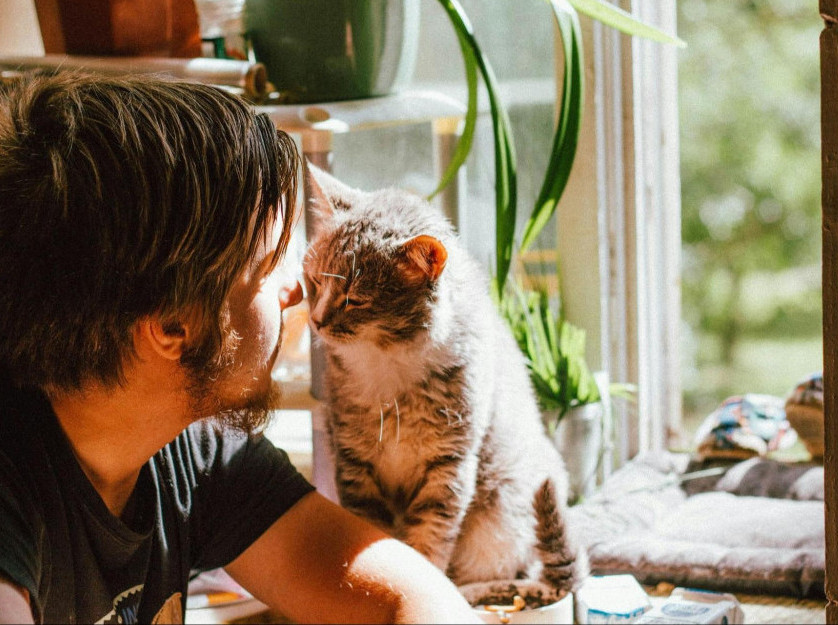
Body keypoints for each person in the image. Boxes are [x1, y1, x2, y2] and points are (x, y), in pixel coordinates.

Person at [0, 71, 479, 624]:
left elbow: (413, 600)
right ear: (172, 325)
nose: (296, 291)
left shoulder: (192, 447)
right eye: (269, 266)